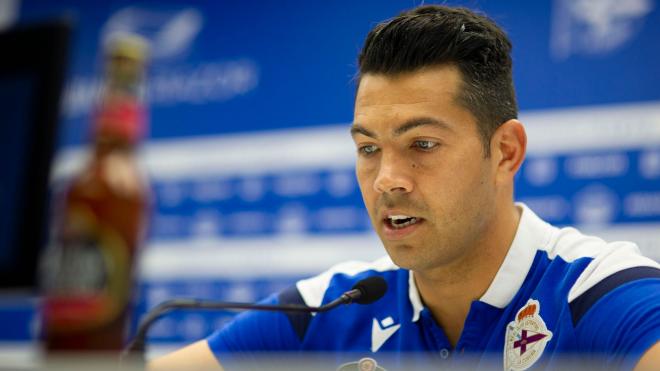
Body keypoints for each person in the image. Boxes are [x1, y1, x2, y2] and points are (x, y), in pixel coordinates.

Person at [149, 5, 660, 370]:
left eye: (422, 145)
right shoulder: (330, 307)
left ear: (505, 151)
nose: (388, 180)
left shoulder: (600, 294)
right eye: (368, 149)